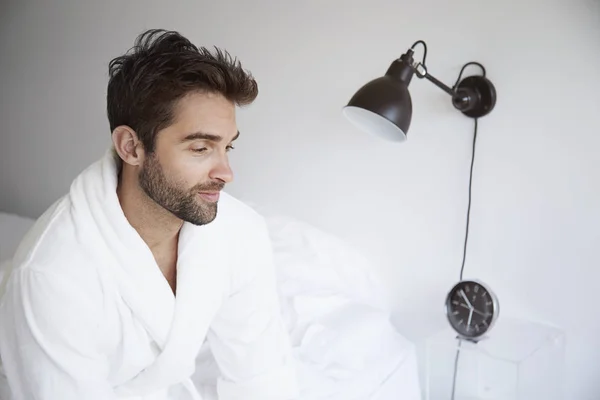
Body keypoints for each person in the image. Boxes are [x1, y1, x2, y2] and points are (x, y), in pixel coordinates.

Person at [0, 29, 299, 400]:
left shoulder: (240, 232)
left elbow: (261, 376)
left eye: (227, 147)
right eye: (201, 148)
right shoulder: (54, 275)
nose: (226, 173)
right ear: (132, 147)